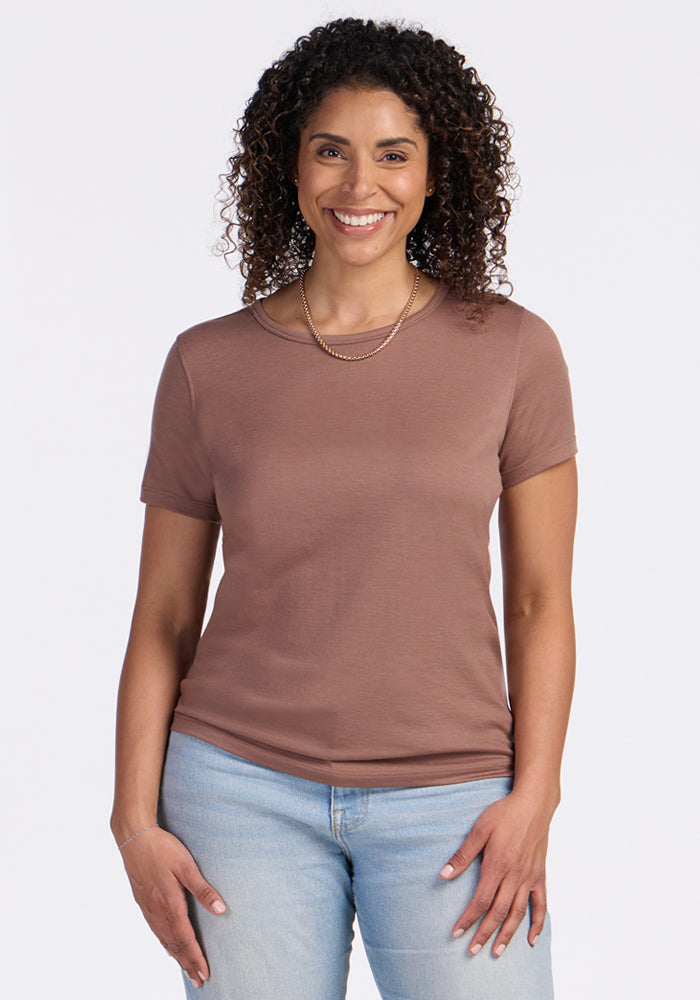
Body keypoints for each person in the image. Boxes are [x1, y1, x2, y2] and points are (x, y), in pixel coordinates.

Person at [110, 17, 578, 1000]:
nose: (359, 185)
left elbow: (539, 600)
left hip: (451, 803)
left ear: (435, 172)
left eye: (392, 154)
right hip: (238, 791)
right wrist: (132, 818)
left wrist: (534, 795)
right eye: (330, 150)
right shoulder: (208, 364)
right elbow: (162, 614)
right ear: (289, 167)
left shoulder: (512, 352)